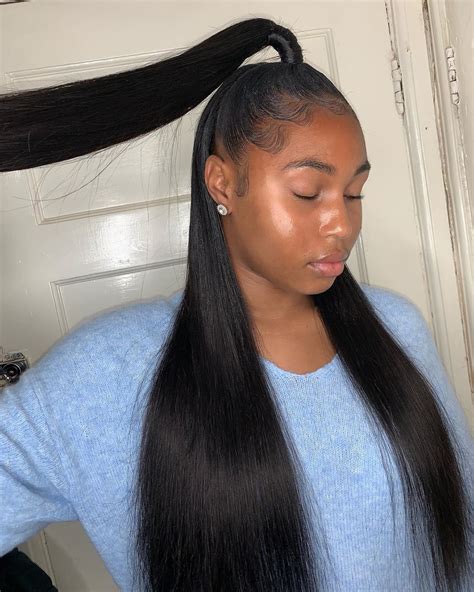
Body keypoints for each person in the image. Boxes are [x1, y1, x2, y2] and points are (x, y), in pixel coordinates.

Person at [0, 17, 472, 592]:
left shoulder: (396, 327)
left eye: (354, 193)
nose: (342, 224)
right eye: (308, 192)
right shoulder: (106, 373)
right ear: (222, 184)